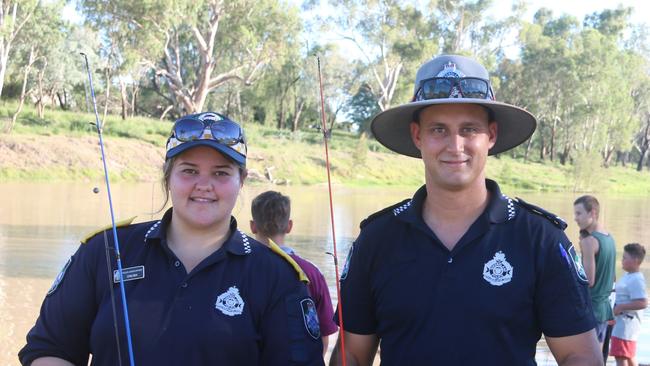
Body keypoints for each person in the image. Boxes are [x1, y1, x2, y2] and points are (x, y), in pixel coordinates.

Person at [329, 55, 602, 365]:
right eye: (439, 130)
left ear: (492, 135)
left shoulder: (540, 239)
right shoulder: (376, 240)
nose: (455, 145)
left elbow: (580, 355)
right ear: (417, 136)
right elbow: (351, 352)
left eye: (469, 129)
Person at [19, 112, 324, 366]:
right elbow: (49, 349)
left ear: (241, 181)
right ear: (168, 176)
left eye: (220, 173)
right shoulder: (106, 250)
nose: (204, 185)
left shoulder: (278, 277)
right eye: (189, 170)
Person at [250, 190, 339, 355]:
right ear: (289, 226)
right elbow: (322, 337)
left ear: (253, 226)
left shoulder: (239, 268)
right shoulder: (312, 273)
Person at [574, 195, 616, 361]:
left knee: (584, 360)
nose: (575, 218)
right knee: (598, 359)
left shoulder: (589, 242)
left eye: (579, 213)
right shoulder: (609, 239)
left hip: (590, 310)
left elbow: (588, 280)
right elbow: (612, 278)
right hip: (604, 310)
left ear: (592, 213)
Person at [610, 243, 648, 366]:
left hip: (627, 326)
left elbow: (643, 302)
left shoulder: (637, 279)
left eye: (625, 258)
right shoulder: (628, 276)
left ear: (635, 260)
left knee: (621, 356)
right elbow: (623, 291)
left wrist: (621, 307)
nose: (622, 260)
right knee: (627, 355)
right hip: (621, 324)